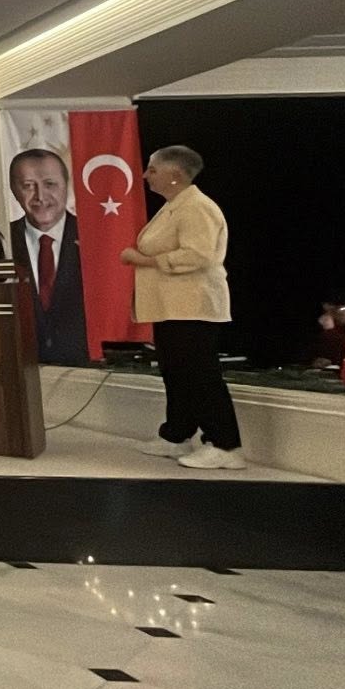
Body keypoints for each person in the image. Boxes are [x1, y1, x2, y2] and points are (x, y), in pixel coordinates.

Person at [121, 145, 242, 469]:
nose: (145, 175)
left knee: (199, 375)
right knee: (175, 373)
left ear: (175, 174)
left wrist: (142, 260)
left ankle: (226, 445)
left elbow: (197, 255)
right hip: (170, 306)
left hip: (192, 306)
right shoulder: (175, 206)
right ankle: (177, 434)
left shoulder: (197, 207)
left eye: (152, 169)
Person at [6, 149, 88, 364]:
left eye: (50, 184)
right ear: (14, 190)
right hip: (20, 363)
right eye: (28, 186)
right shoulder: (1, 240)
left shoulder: (94, 238)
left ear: (66, 185)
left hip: (86, 366)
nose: (40, 196)